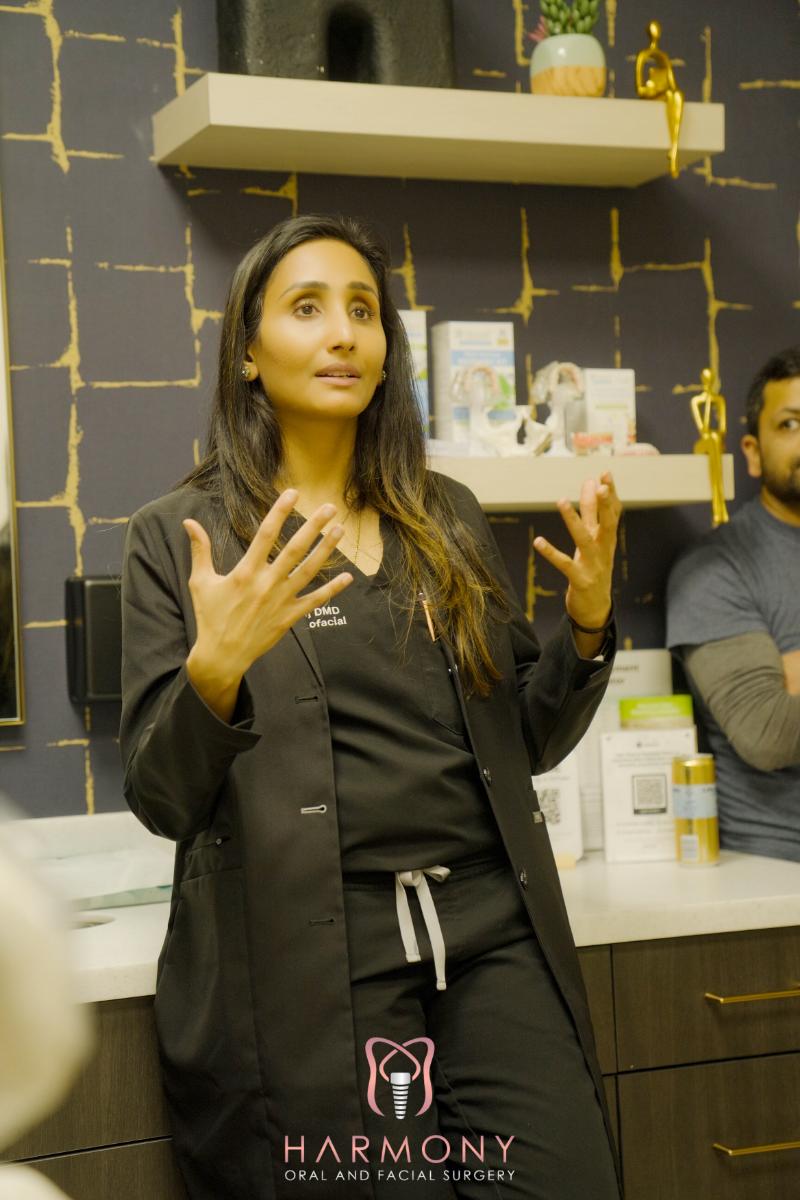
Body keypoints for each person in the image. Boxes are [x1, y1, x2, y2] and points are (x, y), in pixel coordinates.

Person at [119, 213, 623, 1200]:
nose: (342, 332)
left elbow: (522, 739)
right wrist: (214, 669)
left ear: (388, 353)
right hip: (315, 961)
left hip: (488, 935)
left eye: (361, 310)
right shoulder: (181, 538)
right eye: (305, 309)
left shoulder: (443, 518)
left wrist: (588, 626)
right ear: (249, 354)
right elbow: (158, 796)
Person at [667, 347, 800, 861]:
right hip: (775, 871)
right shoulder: (715, 569)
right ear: (751, 450)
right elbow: (768, 732)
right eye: (790, 423)